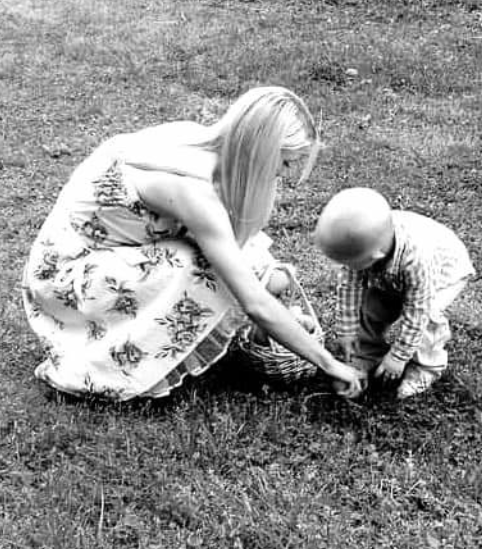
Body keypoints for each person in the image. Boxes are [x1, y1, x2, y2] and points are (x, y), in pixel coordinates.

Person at [22, 86, 364, 401]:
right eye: (286, 162)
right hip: (65, 280)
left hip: (103, 255)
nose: (285, 174)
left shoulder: (195, 138)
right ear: (262, 151)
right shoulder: (192, 191)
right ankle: (106, 365)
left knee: (261, 272)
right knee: (205, 269)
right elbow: (254, 302)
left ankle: (269, 326)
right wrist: (328, 363)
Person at [314, 187, 475, 399]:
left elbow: (418, 311)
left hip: (444, 275)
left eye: (350, 264)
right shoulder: (367, 246)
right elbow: (349, 288)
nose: (346, 268)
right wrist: (347, 330)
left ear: (376, 256)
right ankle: (368, 351)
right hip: (396, 272)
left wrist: (398, 356)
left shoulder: (417, 259)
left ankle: (425, 368)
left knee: (429, 316)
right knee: (373, 302)